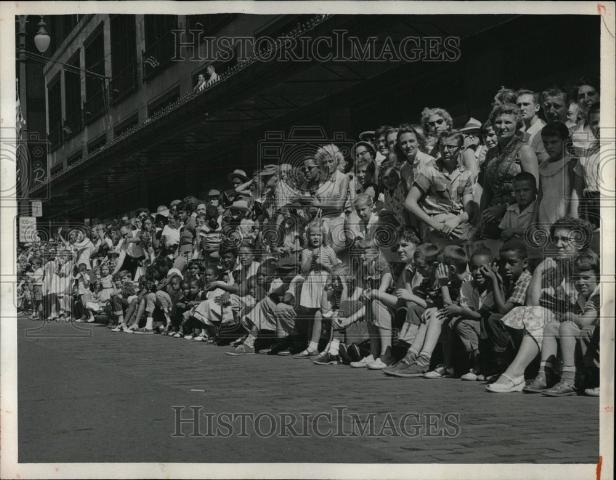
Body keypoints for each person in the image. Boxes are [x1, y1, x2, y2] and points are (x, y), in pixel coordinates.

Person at [486, 216, 593, 393]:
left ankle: (515, 373)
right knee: (530, 313)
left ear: (580, 243)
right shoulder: (555, 269)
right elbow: (531, 307)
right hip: (555, 333)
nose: (558, 244)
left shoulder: (587, 269)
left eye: (565, 239)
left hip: (579, 332)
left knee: (540, 317)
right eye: (556, 239)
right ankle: (523, 372)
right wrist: (538, 271)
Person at [528, 251, 600, 396]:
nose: (581, 282)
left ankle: (569, 378)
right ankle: (545, 373)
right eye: (577, 278)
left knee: (567, 326)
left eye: (586, 278)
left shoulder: (599, 295)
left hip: (598, 339)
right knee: (551, 326)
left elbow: (584, 321)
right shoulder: (582, 297)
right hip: (588, 338)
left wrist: (569, 316)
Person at [478, 103, 539, 243]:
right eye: (498, 122)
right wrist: (481, 218)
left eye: (508, 122)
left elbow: (535, 189)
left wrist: (504, 208)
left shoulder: (524, 150)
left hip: (518, 216)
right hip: (492, 218)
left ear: (517, 124)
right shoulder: (491, 153)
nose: (502, 126)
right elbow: (487, 191)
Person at [405, 131, 476, 246]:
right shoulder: (430, 170)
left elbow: (469, 208)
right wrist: (435, 224)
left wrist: (456, 220)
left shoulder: (465, 174)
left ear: (461, 148)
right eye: (442, 146)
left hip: (456, 223)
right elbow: (409, 202)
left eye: (451, 147)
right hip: (436, 223)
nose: (445, 150)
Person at [295, 221, 341, 357]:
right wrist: (310, 259)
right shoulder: (305, 251)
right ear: (308, 236)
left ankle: (315, 345)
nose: (316, 238)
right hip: (312, 283)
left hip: (325, 285)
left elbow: (337, 269)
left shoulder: (328, 250)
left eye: (319, 235)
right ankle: (312, 343)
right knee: (313, 314)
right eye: (313, 235)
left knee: (319, 313)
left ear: (323, 236)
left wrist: (324, 266)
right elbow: (303, 270)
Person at [536, 122, 582, 233]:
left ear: (565, 141)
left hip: (563, 219)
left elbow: (574, 195)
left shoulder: (572, 163)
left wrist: (570, 222)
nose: (549, 146)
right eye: (545, 143)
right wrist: (534, 222)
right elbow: (540, 197)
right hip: (544, 218)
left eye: (554, 142)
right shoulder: (542, 166)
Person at [311, 144, 350, 253]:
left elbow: (339, 205)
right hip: (322, 223)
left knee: (339, 256)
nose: (328, 165)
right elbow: (314, 202)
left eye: (330, 161)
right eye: (324, 162)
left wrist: (318, 205)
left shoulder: (343, 178)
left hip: (338, 221)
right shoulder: (322, 181)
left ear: (337, 160)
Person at [574, 103, 601, 230]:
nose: (599, 126)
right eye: (594, 123)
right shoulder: (587, 151)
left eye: (604, 120)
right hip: (590, 208)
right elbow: (578, 187)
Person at [499, 172, 538, 241]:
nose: (521, 194)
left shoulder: (537, 210)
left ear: (535, 191)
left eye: (526, 190)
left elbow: (536, 232)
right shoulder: (511, 210)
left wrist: (514, 231)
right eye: (517, 191)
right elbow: (503, 231)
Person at [396, 124, 436, 192]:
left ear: (418, 142)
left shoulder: (429, 161)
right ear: (400, 147)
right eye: (403, 143)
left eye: (411, 141)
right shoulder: (403, 169)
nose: (408, 146)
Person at [516, 89, 548, 162]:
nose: (521, 108)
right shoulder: (520, 130)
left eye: (526, 104)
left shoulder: (543, 131)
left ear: (537, 108)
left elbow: (544, 163)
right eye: (519, 105)